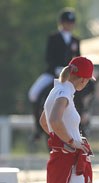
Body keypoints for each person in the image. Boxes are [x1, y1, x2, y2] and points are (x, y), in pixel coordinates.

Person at [29, 7, 81, 141]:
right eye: (66, 22)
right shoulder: (53, 37)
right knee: (34, 93)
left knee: (85, 93)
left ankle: (84, 122)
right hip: (53, 73)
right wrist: (57, 69)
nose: (69, 25)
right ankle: (37, 128)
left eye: (71, 22)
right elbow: (48, 57)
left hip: (71, 76)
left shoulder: (76, 40)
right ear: (61, 22)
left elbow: (79, 59)